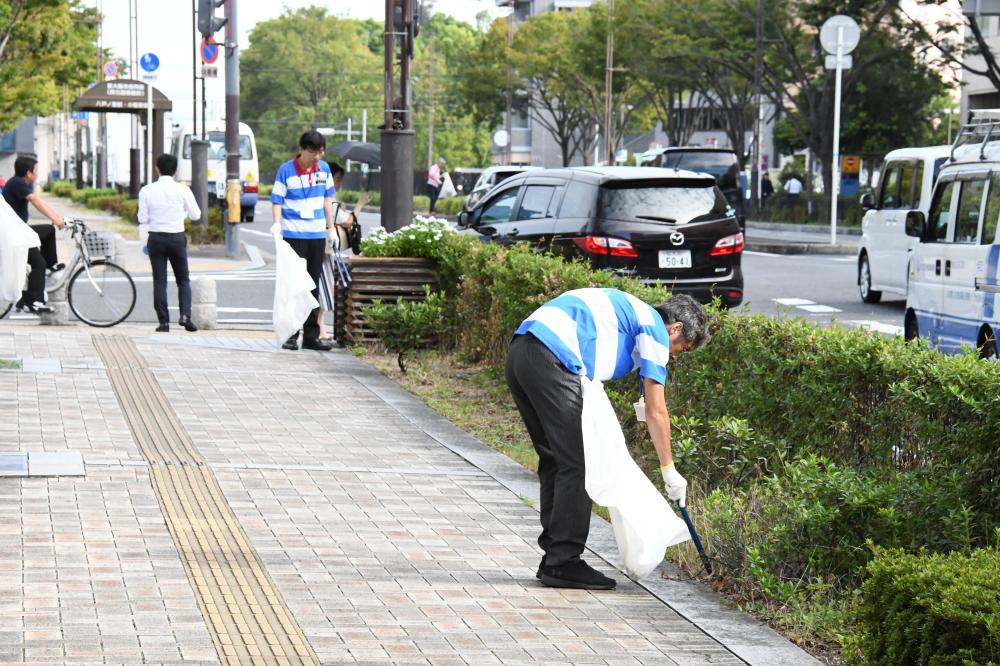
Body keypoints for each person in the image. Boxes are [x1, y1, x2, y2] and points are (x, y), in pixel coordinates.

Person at [505, 290, 711, 590]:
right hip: (552, 358)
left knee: (556, 460)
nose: (676, 355)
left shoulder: (634, 316)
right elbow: (656, 411)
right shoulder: (654, 327)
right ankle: (563, 563)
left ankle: (554, 557)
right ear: (675, 327)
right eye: (683, 347)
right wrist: (669, 470)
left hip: (522, 351)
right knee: (581, 464)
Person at [272, 130, 351, 351]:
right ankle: (290, 334)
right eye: (313, 152)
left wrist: (331, 228)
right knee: (294, 285)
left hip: (316, 234)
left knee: (313, 286)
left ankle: (311, 336)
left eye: (320, 152)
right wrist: (277, 225)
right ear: (301, 149)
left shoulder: (324, 169)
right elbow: (277, 200)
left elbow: (328, 200)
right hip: (293, 234)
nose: (317, 156)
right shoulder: (286, 170)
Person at [138, 153, 201, 333]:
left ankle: (164, 322)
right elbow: (196, 215)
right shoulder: (183, 190)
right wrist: (182, 215)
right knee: (183, 279)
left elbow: (142, 219)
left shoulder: (147, 190)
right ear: (175, 171)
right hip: (177, 237)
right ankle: (185, 316)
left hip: (156, 238)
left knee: (160, 281)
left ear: (157, 169)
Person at [2, 155, 66, 314]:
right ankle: (35, 301)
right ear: (28, 173)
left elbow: (38, 201)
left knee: (48, 231)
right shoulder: (17, 183)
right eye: (35, 170)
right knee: (39, 263)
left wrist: (57, 218)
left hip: (18, 232)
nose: (37, 173)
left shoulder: (18, 183)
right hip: (13, 236)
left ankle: (49, 267)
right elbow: (36, 201)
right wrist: (56, 219)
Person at [317, 162, 368, 344]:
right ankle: (320, 328)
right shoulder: (330, 201)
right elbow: (348, 222)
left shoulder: (324, 199)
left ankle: (319, 328)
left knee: (321, 287)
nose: (338, 183)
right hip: (327, 248)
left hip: (319, 246)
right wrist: (360, 204)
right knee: (326, 287)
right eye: (337, 179)